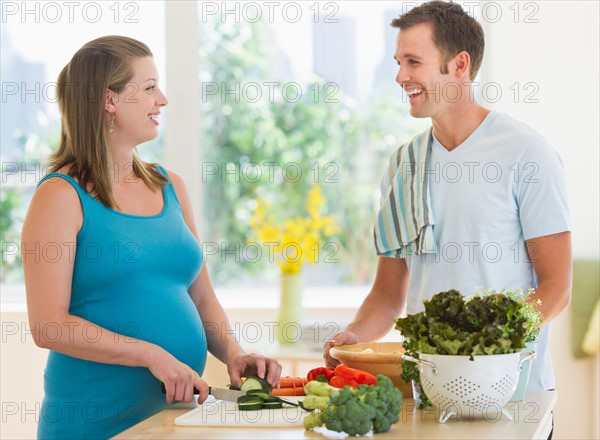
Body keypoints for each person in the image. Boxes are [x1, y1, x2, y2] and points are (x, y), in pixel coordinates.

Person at [22, 35, 282, 439]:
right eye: (147, 89)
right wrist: (149, 354)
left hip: (172, 419)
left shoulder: (170, 185)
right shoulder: (60, 195)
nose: (162, 100)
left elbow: (202, 297)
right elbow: (49, 326)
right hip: (94, 422)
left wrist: (234, 353)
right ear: (109, 100)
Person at [324, 0, 572, 401]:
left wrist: (489, 344)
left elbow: (556, 286)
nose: (400, 76)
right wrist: (354, 335)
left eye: (413, 61)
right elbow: (388, 294)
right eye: (398, 62)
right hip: (431, 391)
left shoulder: (526, 153)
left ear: (459, 66)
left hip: (514, 393)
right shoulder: (404, 165)